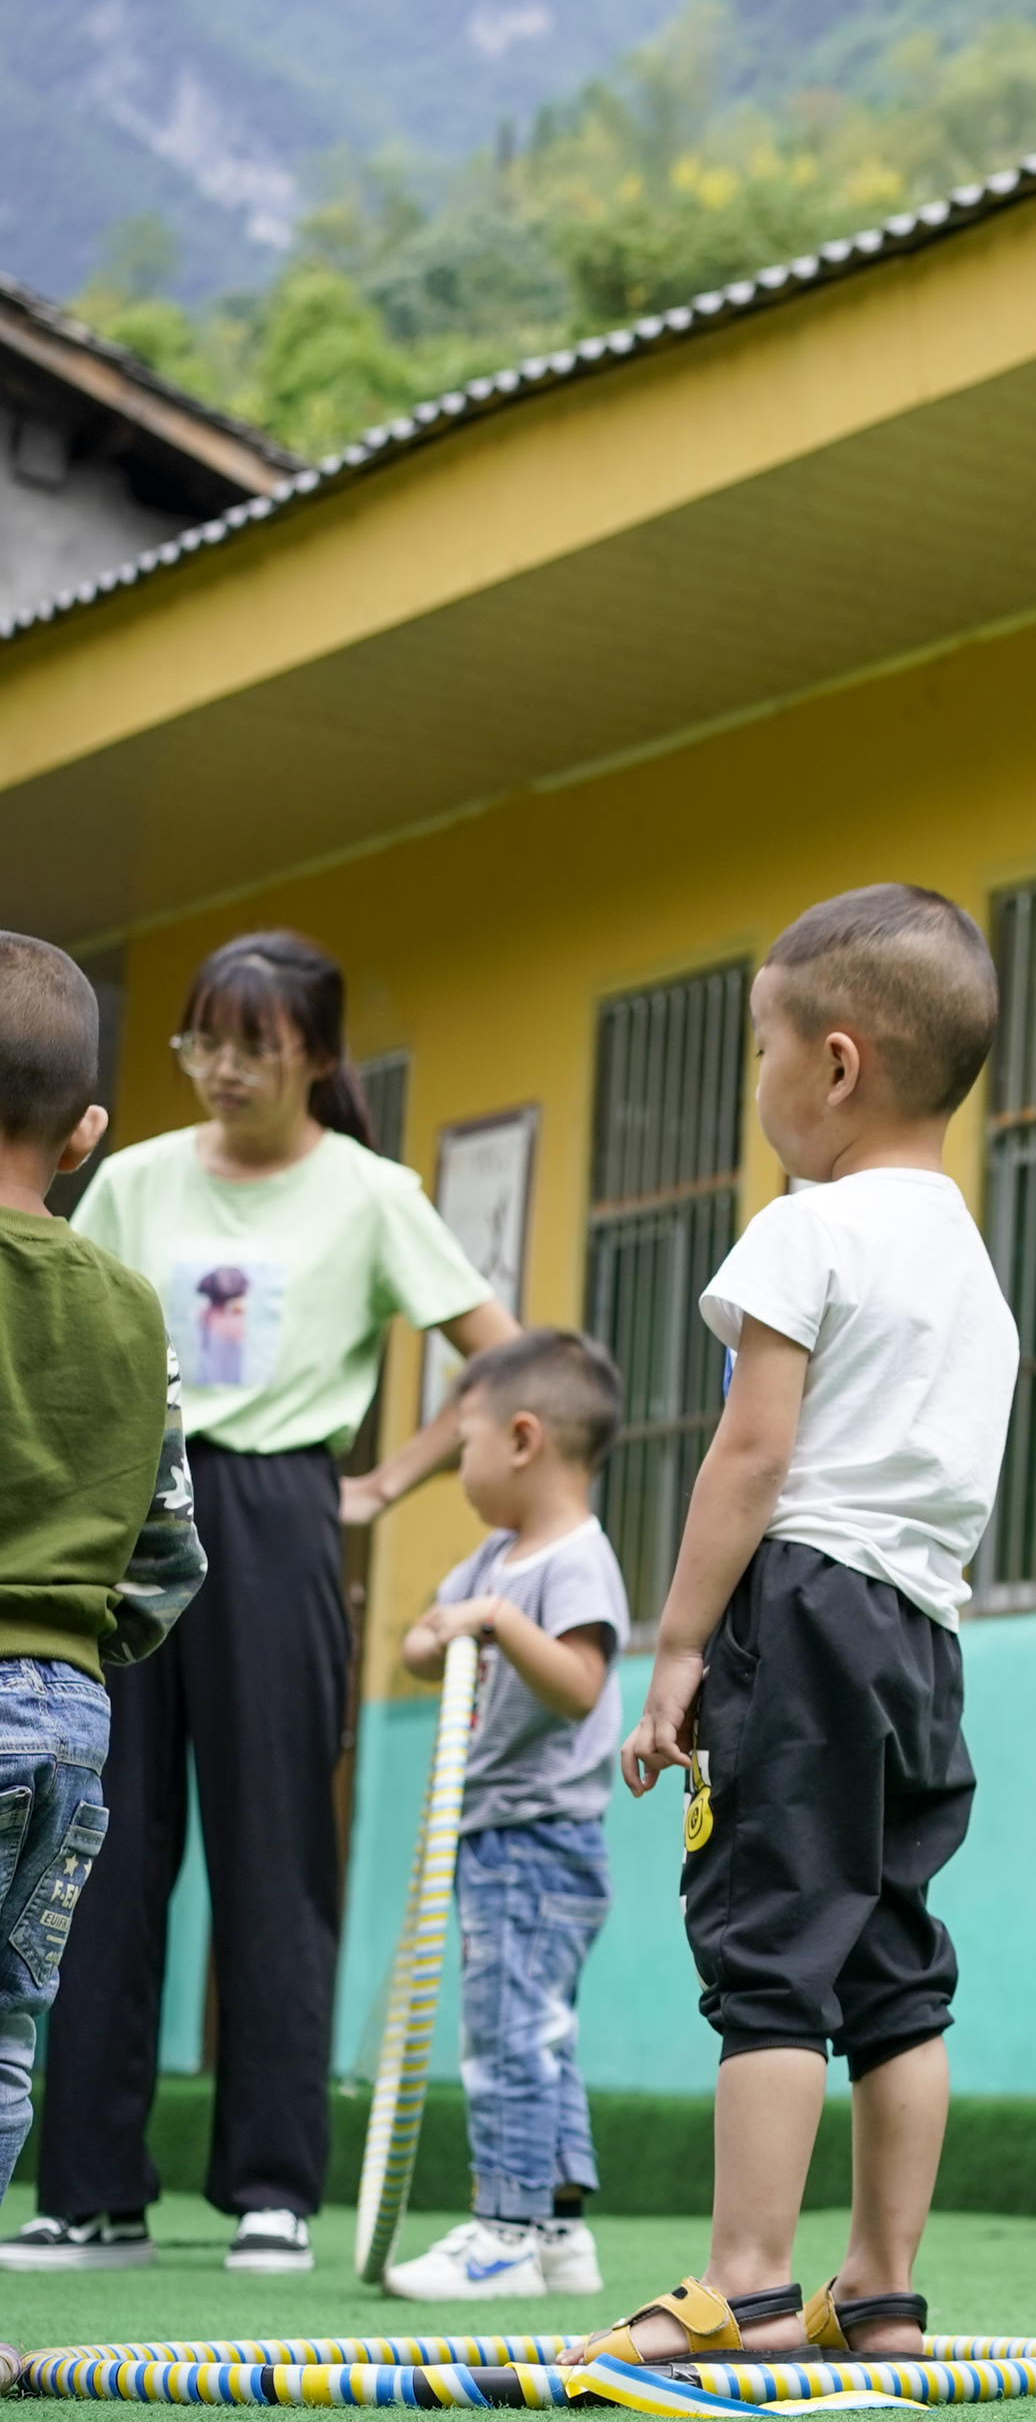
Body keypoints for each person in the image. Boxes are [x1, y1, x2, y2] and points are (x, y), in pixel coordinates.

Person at [13, 930, 513, 2278]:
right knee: (104, 1844)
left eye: (254, 1045)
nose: (223, 1069)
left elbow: (501, 1354)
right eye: (203, 1043)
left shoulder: (372, 1192)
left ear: (317, 1055)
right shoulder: (136, 1177)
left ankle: (274, 2186)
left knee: (275, 1848)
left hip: (286, 1513)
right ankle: (90, 2191)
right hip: (131, 1504)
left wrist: (383, 1482)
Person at [573, 886, 1015, 2368]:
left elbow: (752, 1455)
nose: (755, 1083)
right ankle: (880, 2293)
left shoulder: (806, 1227)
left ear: (834, 1063)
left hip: (807, 1608)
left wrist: (678, 1646)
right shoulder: (974, 1271)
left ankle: (749, 2286)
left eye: (760, 1050)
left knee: (770, 1943)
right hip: (923, 1635)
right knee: (893, 1954)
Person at [0, 936, 202, 2252]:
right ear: (85, 1133)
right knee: (6, 2026)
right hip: (66, 1713)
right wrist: (74, 1643)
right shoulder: (135, 1309)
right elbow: (170, 1550)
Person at [383, 1331, 635, 2303]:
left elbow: (578, 1683)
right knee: (540, 2031)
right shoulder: (494, 1557)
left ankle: (506, 2229)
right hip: (492, 1832)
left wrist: (493, 1621)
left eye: (466, 1444)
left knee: (508, 2033)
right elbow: (421, 1641)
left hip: (540, 1839)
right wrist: (443, 1630)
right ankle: (559, 2232)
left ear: (523, 1439)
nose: (460, 1467)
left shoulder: (575, 1561)